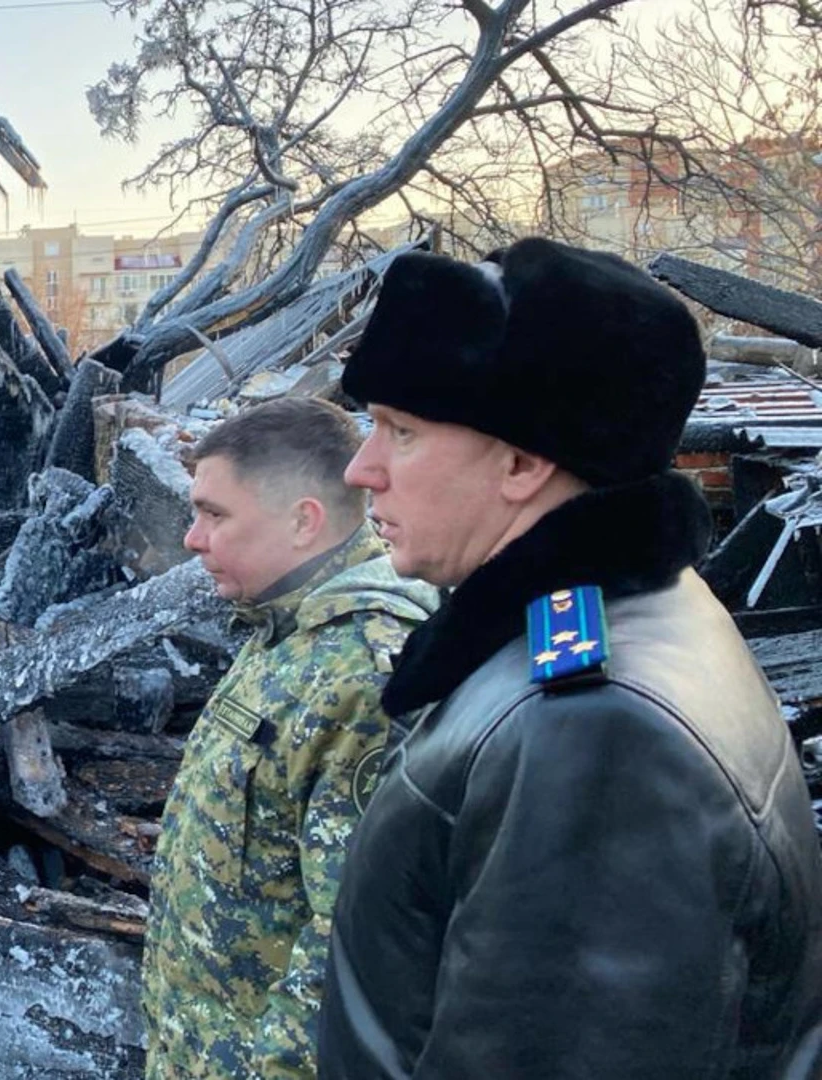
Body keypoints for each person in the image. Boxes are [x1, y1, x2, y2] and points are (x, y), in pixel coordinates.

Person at [321, 237, 822, 1079]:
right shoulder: (622, 612)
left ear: (522, 462)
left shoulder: (595, 734)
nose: (361, 468)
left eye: (399, 431)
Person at [143, 396, 439, 1080]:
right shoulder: (286, 631)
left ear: (304, 522)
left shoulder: (363, 673)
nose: (192, 538)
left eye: (214, 514)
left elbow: (351, 949)